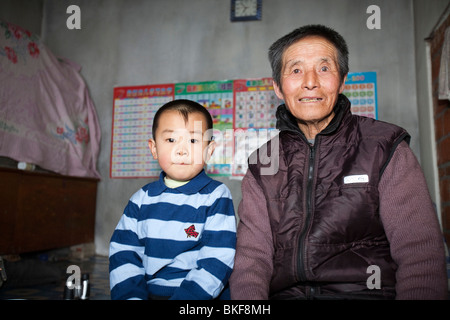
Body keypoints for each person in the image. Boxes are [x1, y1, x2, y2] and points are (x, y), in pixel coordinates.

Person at [229, 24, 448, 300]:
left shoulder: (385, 147)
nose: (310, 81)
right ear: (278, 87)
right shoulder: (262, 164)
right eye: (296, 70)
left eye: (323, 68)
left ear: (342, 80)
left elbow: (419, 254)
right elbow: (252, 261)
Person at [109, 99, 236, 300]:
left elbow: (218, 258)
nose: (181, 150)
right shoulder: (141, 200)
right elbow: (123, 254)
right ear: (154, 148)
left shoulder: (216, 196)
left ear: (209, 150)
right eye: (171, 140)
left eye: (193, 141)